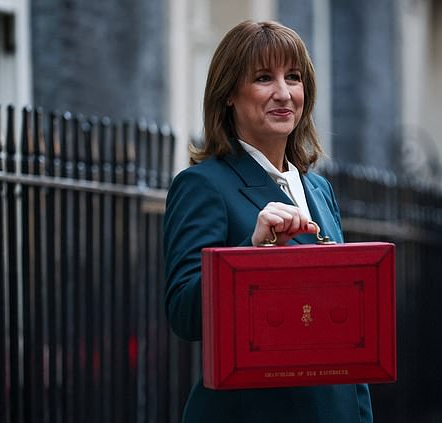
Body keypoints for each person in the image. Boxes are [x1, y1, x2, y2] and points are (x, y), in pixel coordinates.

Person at [163, 20, 373, 423]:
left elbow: (349, 333)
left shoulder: (320, 190)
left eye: (292, 77)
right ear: (228, 95)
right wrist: (250, 253)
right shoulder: (202, 186)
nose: (283, 93)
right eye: (263, 78)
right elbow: (183, 314)